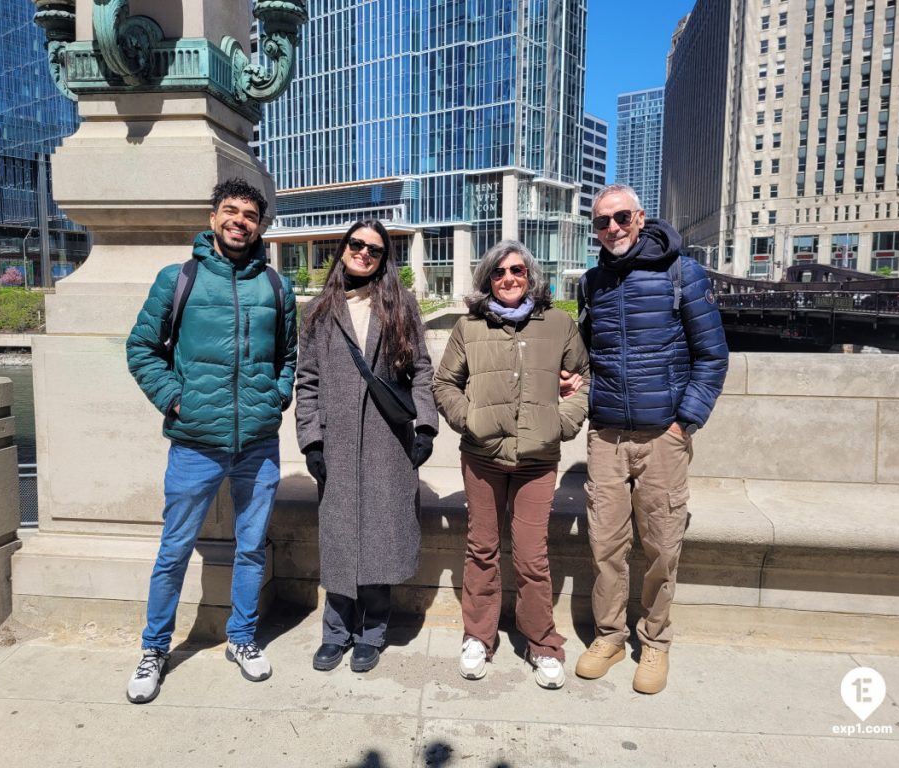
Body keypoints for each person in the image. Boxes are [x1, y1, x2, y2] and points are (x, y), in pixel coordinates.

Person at [124, 178, 297, 703]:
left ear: (260, 225)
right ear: (213, 217)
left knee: (250, 549)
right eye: (230, 210)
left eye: (249, 214)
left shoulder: (276, 285)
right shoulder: (179, 279)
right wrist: (177, 400)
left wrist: (277, 396)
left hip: (259, 444)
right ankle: (155, 649)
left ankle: (241, 639)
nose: (238, 220)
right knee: (174, 550)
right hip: (195, 443)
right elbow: (141, 349)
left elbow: (288, 355)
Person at [573, 183, 728, 695]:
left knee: (662, 544)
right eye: (601, 222)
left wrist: (685, 422)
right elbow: (590, 353)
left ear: (640, 217)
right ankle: (609, 636)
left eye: (620, 218)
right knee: (605, 544)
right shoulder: (591, 282)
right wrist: (578, 381)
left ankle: (656, 642)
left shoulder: (684, 273)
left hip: (664, 434)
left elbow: (712, 357)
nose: (612, 228)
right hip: (608, 435)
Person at [432, 240, 589, 690]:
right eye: (498, 273)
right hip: (482, 458)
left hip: (537, 461)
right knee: (481, 548)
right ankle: (478, 636)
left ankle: (542, 643)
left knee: (531, 555)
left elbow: (584, 380)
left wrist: (559, 424)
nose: (508, 279)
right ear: (487, 279)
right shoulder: (470, 326)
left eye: (517, 270)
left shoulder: (559, 324)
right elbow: (445, 383)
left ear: (530, 275)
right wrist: (471, 420)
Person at [295, 220, 439, 674]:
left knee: (381, 539)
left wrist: (426, 429)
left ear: (383, 258)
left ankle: (372, 632)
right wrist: (311, 440)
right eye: (356, 244)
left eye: (374, 249)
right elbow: (308, 382)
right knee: (339, 540)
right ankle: (335, 632)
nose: (363, 253)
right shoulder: (319, 310)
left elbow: (421, 369)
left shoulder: (401, 304)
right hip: (336, 442)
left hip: (386, 440)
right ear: (342, 249)